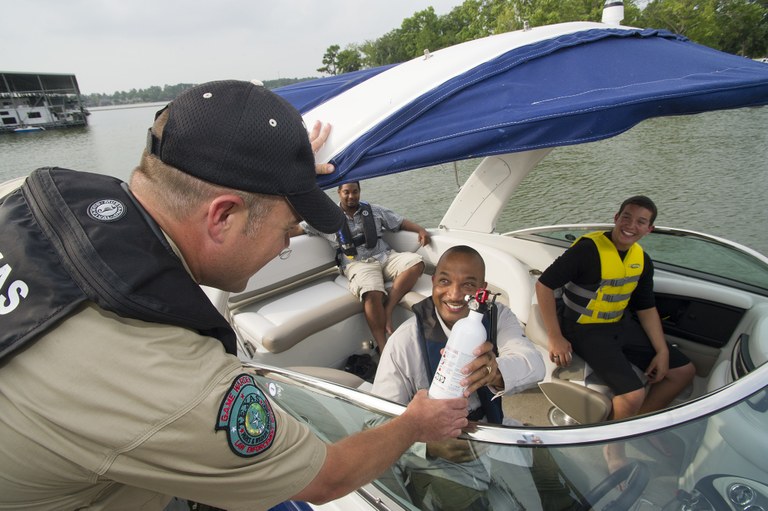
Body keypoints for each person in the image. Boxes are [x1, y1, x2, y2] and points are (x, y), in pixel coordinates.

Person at [0, 80, 469, 510]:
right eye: (288, 229)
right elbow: (326, 477)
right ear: (223, 217)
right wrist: (415, 423)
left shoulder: (30, 194)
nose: (291, 242)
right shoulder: (174, 382)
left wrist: (273, 171)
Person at [372, 245, 548, 510]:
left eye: (468, 285)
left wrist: (496, 371)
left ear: (482, 289)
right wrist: (428, 446)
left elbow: (534, 364)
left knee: (532, 503)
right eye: (444, 281)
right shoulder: (404, 343)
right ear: (432, 282)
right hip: (437, 454)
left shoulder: (497, 317)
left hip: (492, 432)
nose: (454, 294)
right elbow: (375, 421)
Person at [535, 195, 696, 472]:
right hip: (582, 328)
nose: (631, 225)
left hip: (619, 324)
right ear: (615, 218)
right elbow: (544, 285)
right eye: (626, 217)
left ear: (649, 229)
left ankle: (636, 428)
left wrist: (662, 351)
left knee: (683, 371)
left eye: (641, 222)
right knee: (631, 394)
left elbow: (646, 308)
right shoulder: (587, 250)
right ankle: (614, 449)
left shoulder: (641, 260)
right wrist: (555, 336)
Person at [295, 180, 431, 352]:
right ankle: (384, 346)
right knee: (371, 291)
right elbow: (298, 229)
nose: (351, 196)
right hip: (356, 263)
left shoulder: (374, 210)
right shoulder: (327, 217)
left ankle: (388, 308)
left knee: (416, 263)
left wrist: (421, 230)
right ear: (339, 193)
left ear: (359, 191)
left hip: (385, 256)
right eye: (346, 192)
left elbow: (400, 222)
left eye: (354, 192)